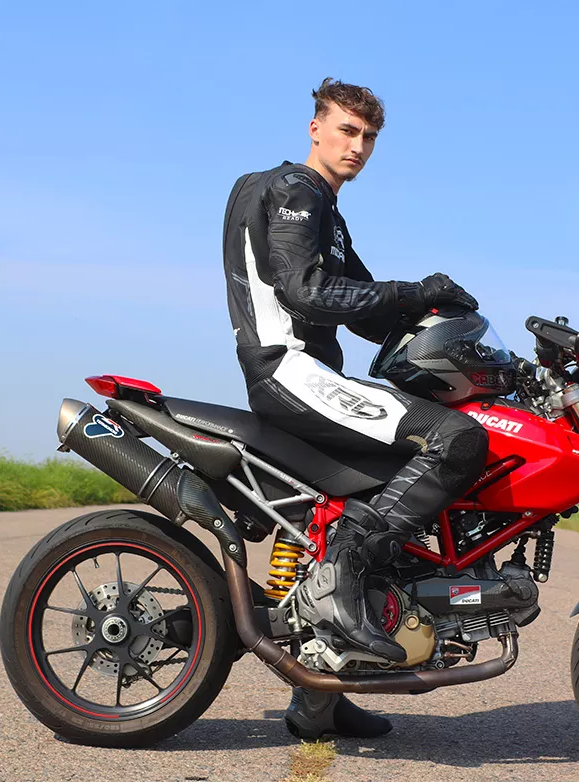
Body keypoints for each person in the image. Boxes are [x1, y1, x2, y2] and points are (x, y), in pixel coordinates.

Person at [222, 78, 489, 739]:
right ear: (315, 128)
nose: (358, 146)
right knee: (456, 439)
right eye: (347, 130)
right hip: (289, 370)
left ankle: (324, 696)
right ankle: (341, 575)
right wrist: (408, 291)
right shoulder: (296, 190)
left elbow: (364, 307)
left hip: (307, 373)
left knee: (393, 486)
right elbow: (306, 292)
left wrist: (433, 310)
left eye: (369, 137)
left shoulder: (328, 213)